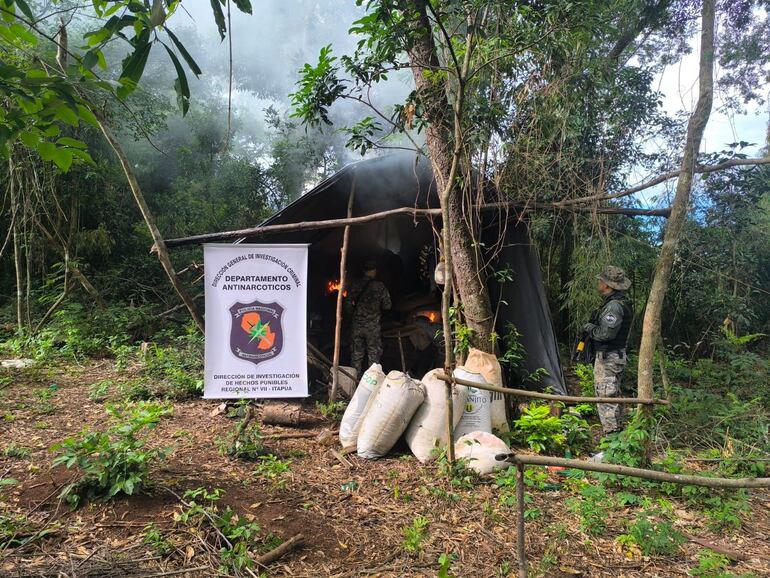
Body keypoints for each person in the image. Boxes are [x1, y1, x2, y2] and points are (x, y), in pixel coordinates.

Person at [582, 265, 633, 436]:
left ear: (607, 285)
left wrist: (590, 328)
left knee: (606, 398)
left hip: (609, 357)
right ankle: (616, 437)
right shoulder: (618, 303)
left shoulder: (614, 306)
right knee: (612, 396)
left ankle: (611, 439)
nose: (599, 282)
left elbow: (606, 334)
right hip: (613, 356)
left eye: (601, 280)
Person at [347, 259, 392, 375]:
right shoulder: (379, 286)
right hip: (372, 327)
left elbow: (347, 306)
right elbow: (388, 306)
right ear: (374, 271)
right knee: (374, 356)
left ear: (364, 271)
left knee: (356, 355)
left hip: (357, 325)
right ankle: (372, 383)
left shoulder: (355, 284)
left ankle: (354, 382)